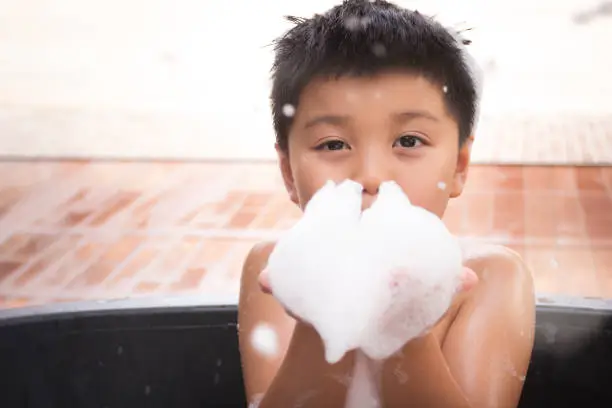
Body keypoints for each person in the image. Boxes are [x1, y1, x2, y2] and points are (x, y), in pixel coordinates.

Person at [238, 1, 535, 406]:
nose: (371, 175)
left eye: (409, 141)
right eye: (334, 144)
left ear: (460, 166)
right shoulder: (274, 270)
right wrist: (317, 315)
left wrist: (406, 325)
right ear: (289, 172)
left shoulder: (492, 277)